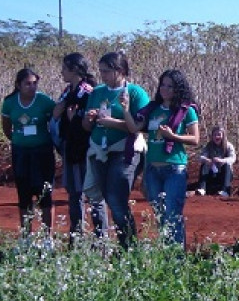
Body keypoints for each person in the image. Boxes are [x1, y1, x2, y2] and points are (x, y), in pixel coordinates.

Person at [83, 51, 150, 249]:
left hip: (124, 150)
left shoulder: (136, 93)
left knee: (116, 198)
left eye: (106, 71)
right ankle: (102, 243)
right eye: (101, 71)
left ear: (119, 71)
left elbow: (139, 126)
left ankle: (128, 246)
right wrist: (89, 119)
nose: (102, 75)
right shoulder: (97, 92)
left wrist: (113, 123)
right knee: (100, 196)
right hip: (99, 150)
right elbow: (86, 127)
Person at [135, 69, 200, 247]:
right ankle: (166, 251)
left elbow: (195, 139)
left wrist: (174, 137)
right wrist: (126, 110)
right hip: (153, 169)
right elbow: (135, 127)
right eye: (163, 84)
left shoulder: (186, 111)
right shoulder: (152, 109)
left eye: (170, 86)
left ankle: (177, 257)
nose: (165, 89)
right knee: (159, 214)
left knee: (173, 213)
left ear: (178, 89)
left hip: (174, 168)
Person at [52, 53, 107, 240]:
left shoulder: (89, 92)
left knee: (94, 195)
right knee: (74, 194)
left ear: (74, 69)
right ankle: (76, 238)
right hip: (70, 148)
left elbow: (93, 121)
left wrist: (73, 119)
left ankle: (101, 240)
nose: (62, 72)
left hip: (86, 149)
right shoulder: (68, 92)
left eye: (65, 68)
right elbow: (56, 113)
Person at [1, 69, 56, 233]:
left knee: (45, 194)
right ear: (18, 85)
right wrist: (19, 140)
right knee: (24, 195)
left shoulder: (44, 101)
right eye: (27, 83)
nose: (32, 87)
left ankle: (48, 237)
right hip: (21, 153)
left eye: (34, 83)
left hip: (42, 152)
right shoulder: (10, 102)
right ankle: (26, 236)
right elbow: (6, 127)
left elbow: (56, 120)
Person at [196, 125, 236, 197]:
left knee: (227, 165)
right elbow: (200, 157)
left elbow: (233, 158)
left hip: (224, 174)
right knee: (204, 165)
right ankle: (202, 188)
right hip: (212, 174)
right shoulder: (208, 146)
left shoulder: (228, 146)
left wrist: (222, 161)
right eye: (215, 135)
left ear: (223, 135)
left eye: (219, 135)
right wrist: (207, 160)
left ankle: (225, 190)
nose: (217, 137)